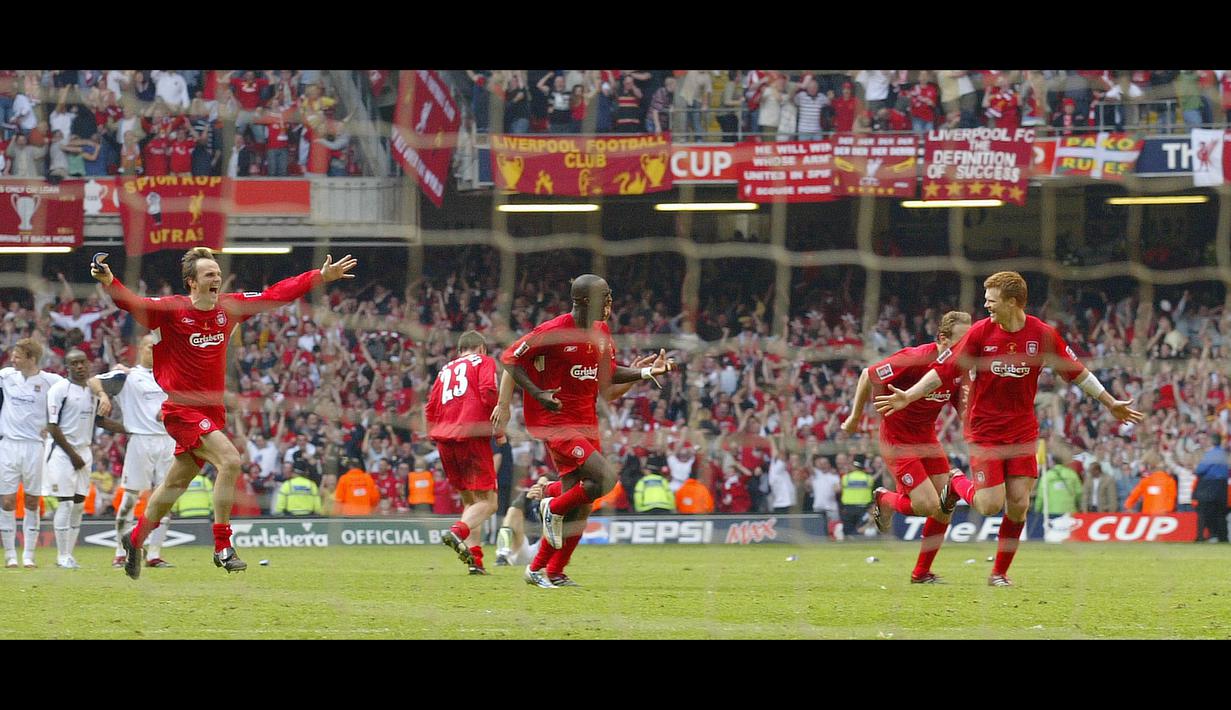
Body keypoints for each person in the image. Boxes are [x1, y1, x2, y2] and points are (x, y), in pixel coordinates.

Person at [91, 247, 357, 579]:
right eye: (209, 274)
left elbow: (276, 294)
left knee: (175, 483)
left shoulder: (229, 307)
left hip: (212, 409)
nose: (216, 278)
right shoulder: (172, 310)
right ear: (192, 282)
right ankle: (222, 545)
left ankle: (135, 540)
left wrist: (319, 277)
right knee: (230, 460)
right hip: (181, 407)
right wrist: (110, 281)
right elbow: (134, 304)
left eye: (217, 273)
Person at [876, 271, 1144, 586]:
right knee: (990, 506)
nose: (986, 306)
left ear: (1012, 302)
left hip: (1022, 432)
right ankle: (957, 482)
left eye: (991, 300)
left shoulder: (1042, 335)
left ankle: (999, 574)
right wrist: (909, 395)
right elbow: (943, 372)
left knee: (1019, 504)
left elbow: (1078, 372)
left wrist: (1110, 401)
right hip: (985, 432)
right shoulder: (979, 334)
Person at [490, 273, 675, 588]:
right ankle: (552, 506)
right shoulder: (552, 332)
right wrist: (535, 394)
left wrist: (645, 372)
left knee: (584, 502)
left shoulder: (601, 332)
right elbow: (510, 359)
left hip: (586, 422)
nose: (610, 302)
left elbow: (608, 377)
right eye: (606, 295)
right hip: (555, 422)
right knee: (606, 478)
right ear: (585, 301)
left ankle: (545, 571)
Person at [843, 310, 971, 582]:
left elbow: (963, 409)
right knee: (927, 506)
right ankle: (884, 500)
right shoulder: (916, 358)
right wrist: (855, 417)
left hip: (926, 438)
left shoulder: (960, 370)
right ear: (943, 340)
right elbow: (869, 374)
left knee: (945, 502)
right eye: (961, 341)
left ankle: (921, 572)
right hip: (897, 439)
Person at [90, 335, 177, 569]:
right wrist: (104, 395)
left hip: (168, 441)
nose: (155, 351)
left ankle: (154, 555)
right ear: (140, 349)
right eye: (151, 347)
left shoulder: (170, 375)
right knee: (129, 499)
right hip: (140, 442)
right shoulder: (127, 376)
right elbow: (93, 380)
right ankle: (120, 552)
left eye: (159, 347)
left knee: (165, 499)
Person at [426, 330, 500, 575]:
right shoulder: (484, 362)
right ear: (482, 349)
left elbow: (430, 407)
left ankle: (475, 560)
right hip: (471, 434)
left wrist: (437, 433)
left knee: (470, 501)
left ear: (459, 350)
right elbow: (489, 391)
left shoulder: (444, 370)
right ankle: (457, 531)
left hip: (445, 439)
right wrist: (497, 428)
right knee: (489, 502)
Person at [0, 339, 64, 568]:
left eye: (17, 356)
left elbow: (73, 394)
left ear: (31, 359)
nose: (12, 359)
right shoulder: (6, 376)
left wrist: (54, 423)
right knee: (6, 501)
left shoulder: (51, 381)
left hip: (35, 446)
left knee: (31, 501)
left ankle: (28, 555)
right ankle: (9, 555)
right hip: (8, 445)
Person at [42, 350, 96, 569]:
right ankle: (62, 556)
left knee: (78, 506)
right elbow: (52, 426)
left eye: (82, 362)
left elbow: (99, 420)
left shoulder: (94, 390)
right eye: (74, 363)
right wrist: (73, 455)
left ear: (88, 364)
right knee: (65, 504)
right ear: (68, 367)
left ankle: (69, 555)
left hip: (85, 451)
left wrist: (129, 429)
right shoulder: (59, 390)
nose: (79, 366)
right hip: (63, 453)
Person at [1193, 433, 1229, 542]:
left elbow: (1200, 470)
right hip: (1223, 486)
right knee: (1220, 513)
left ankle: (1203, 536)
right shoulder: (1224, 454)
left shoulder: (1211, 454)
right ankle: (1223, 537)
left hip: (1210, 485)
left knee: (1204, 511)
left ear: (1211, 441)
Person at [838, 456, 874, 538]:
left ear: (854, 467)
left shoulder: (846, 478)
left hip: (848, 509)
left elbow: (840, 488)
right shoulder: (868, 478)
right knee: (860, 531)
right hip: (863, 508)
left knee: (848, 531)